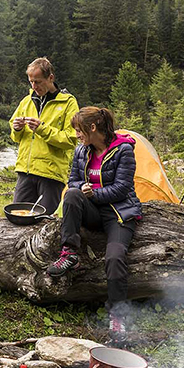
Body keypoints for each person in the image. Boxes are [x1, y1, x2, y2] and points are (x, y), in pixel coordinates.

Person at [47, 107, 142, 337]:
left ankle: (117, 317)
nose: (77, 135)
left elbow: (122, 188)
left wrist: (94, 193)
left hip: (119, 213)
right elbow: (73, 181)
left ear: (92, 128)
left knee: (115, 258)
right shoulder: (81, 151)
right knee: (72, 194)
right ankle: (69, 253)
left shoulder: (123, 150)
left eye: (79, 130)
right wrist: (82, 187)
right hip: (92, 210)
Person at [9, 57, 78, 216]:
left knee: (45, 222)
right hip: (25, 171)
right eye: (31, 82)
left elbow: (71, 139)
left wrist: (42, 129)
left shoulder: (68, 103)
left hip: (51, 174)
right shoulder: (26, 101)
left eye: (38, 82)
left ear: (50, 78)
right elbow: (15, 137)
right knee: (17, 219)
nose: (34, 86)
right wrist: (17, 129)